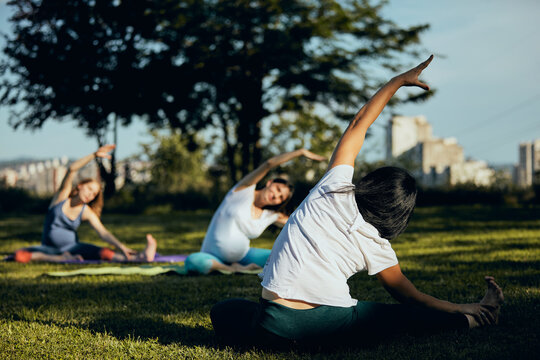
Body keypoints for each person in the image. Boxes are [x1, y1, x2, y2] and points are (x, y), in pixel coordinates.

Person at [210, 55, 504, 345]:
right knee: (399, 317)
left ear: (372, 183)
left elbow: (358, 124)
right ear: (398, 213)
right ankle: (473, 317)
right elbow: (413, 298)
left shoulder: (332, 188)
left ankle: (472, 316)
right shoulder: (378, 245)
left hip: (271, 324)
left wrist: (397, 82)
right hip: (328, 324)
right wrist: (460, 306)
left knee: (223, 311)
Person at [185, 149, 325, 274]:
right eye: (277, 189)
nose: (276, 195)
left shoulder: (271, 215)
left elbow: (300, 222)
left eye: (281, 197)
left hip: (244, 256)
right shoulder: (243, 190)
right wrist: (300, 152)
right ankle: (231, 268)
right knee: (193, 262)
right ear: (269, 182)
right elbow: (269, 164)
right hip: (211, 256)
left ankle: (233, 266)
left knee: (283, 256)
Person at [13, 145, 157, 263]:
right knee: (19, 255)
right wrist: (94, 155)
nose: (90, 194)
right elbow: (72, 169)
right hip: (49, 249)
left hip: (74, 248)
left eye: (94, 194)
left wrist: (121, 246)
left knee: (105, 253)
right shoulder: (61, 198)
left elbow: (103, 232)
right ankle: (61, 259)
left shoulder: (86, 211)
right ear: (80, 186)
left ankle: (141, 257)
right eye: (89, 189)